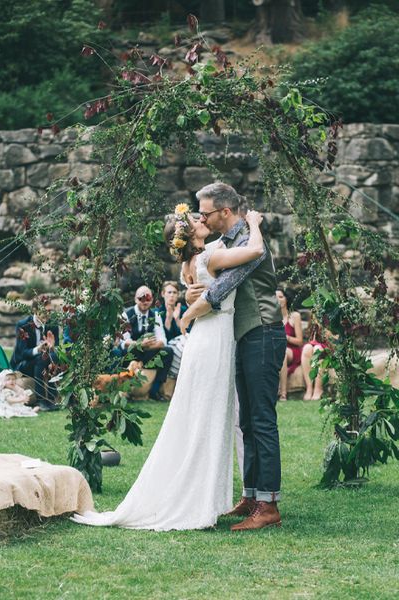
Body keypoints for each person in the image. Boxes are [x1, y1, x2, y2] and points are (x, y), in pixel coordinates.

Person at [72, 202, 264, 531]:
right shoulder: (210, 257)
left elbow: (219, 246)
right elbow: (255, 250)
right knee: (208, 417)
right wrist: (255, 222)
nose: (202, 219)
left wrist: (190, 307)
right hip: (214, 341)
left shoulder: (191, 262)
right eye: (195, 219)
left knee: (202, 417)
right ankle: (197, 499)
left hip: (206, 340)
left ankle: (205, 495)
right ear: (189, 233)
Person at [181, 182, 286, 531]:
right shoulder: (226, 243)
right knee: (247, 422)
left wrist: (190, 310)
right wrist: (193, 289)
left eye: (206, 213)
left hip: (263, 331)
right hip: (243, 335)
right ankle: (252, 495)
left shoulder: (248, 244)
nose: (201, 218)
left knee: (261, 419)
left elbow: (224, 286)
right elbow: (206, 273)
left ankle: (268, 505)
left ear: (225, 212)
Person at [121, 286, 174, 401]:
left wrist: (148, 346)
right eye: (141, 298)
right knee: (128, 350)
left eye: (148, 298)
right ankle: (125, 391)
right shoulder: (126, 315)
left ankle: (155, 391)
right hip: (132, 353)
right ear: (135, 299)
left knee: (168, 351)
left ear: (152, 300)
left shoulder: (155, 315)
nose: (145, 302)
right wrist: (140, 344)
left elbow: (162, 340)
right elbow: (124, 341)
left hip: (148, 352)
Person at [10, 295, 59, 411]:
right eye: (46, 311)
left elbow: (54, 350)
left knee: (53, 356)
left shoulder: (53, 325)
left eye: (50, 311)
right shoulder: (23, 326)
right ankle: (41, 400)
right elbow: (22, 353)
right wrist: (38, 348)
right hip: (23, 363)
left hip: (43, 362)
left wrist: (52, 348)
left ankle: (53, 398)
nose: (49, 314)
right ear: (35, 310)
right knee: (41, 357)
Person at [156, 281, 188, 381]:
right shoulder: (157, 312)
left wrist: (177, 319)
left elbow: (187, 333)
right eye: (169, 292)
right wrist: (168, 319)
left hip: (183, 342)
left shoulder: (183, 310)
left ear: (178, 295)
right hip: (169, 346)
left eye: (174, 293)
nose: (172, 296)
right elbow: (164, 338)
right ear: (163, 294)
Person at [276, 287, 303, 401]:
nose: (278, 300)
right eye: (275, 298)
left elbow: (300, 341)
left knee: (283, 353)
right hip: (276, 349)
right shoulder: (271, 317)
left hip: (292, 350)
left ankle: (283, 393)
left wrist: (286, 337)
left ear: (286, 299)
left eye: (281, 297)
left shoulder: (294, 316)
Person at [301, 315, 331, 401]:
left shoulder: (333, 314)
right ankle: (309, 388)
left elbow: (335, 339)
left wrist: (325, 330)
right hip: (316, 346)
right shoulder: (314, 316)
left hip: (329, 349)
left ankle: (318, 389)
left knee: (318, 349)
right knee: (307, 348)